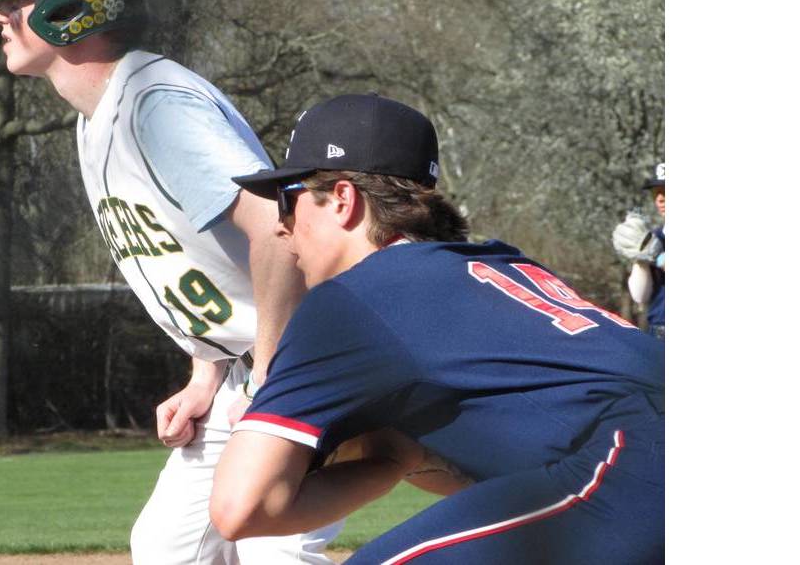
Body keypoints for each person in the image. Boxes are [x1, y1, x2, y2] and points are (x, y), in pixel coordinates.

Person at [0, 0, 341, 562]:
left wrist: (274, 378)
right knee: (169, 548)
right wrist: (206, 372)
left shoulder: (155, 108)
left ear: (71, 7)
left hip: (302, 362)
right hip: (244, 371)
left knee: (275, 553)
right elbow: (212, 257)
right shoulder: (98, 116)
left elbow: (283, 233)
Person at [210, 94, 665, 563]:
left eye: (289, 200)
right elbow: (495, 470)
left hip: (636, 462)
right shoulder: (495, 265)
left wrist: (392, 459)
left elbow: (241, 508)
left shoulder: (355, 298)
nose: (282, 226)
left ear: (343, 200)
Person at [612, 163, 666, 339]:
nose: (660, 199)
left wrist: (657, 256)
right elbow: (640, 296)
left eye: (666, 191)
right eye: (656, 192)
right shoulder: (655, 237)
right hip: (659, 332)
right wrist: (640, 255)